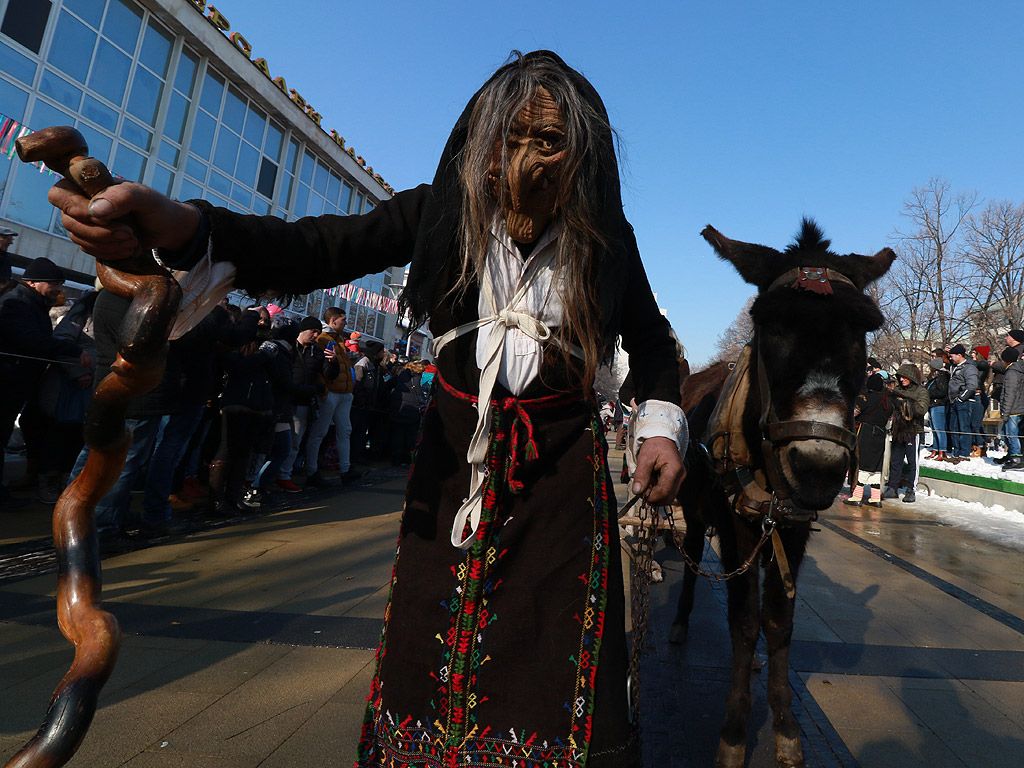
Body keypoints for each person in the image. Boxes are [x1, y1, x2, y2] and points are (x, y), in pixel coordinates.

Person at [49, 50, 685, 768]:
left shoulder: (608, 240)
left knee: (553, 657)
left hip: (561, 485)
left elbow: (655, 349)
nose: (524, 162)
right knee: (428, 652)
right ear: (477, 142)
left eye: (549, 142)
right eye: (508, 138)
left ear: (585, 158)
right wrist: (185, 227)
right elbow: (314, 247)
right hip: (450, 475)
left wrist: (660, 426)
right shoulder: (439, 212)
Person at [0, 257, 91, 509]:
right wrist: (71, 351)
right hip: (7, 381)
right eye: (54, 284)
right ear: (33, 282)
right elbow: (32, 341)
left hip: (16, 382)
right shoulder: (16, 303)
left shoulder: (33, 302)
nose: (58, 289)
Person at [303, 306, 360, 487]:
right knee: (319, 431)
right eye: (343, 320)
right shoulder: (323, 339)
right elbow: (319, 367)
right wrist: (324, 390)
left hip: (344, 393)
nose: (346, 323)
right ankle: (311, 471)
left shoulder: (340, 339)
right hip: (331, 392)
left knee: (345, 431)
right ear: (333, 320)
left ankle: (345, 469)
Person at [881, 363, 929, 502]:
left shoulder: (921, 391)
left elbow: (921, 409)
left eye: (904, 377)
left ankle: (911, 490)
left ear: (911, 377)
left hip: (913, 431)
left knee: (912, 462)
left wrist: (905, 402)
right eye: (900, 377)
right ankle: (892, 488)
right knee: (895, 461)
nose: (901, 380)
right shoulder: (897, 389)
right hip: (898, 430)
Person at [845, 372, 892, 506]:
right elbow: (890, 418)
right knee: (876, 465)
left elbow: (853, 414)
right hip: (881, 433)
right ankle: (875, 498)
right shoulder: (887, 400)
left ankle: (857, 496)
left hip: (865, 432)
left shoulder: (864, 398)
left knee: (863, 463)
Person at [351, 340, 386, 465]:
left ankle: (359, 455)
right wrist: (361, 401)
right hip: (359, 405)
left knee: (362, 431)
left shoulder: (375, 365)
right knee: (357, 431)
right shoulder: (363, 363)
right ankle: (355, 456)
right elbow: (358, 384)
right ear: (376, 353)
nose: (384, 353)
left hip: (369, 405)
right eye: (382, 351)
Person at [946, 344, 978, 462]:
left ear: (959, 355)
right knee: (953, 427)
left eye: (952, 356)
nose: (951, 358)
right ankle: (956, 452)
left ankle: (964, 454)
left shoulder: (969, 368)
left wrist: (961, 398)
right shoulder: (954, 367)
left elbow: (972, 386)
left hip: (964, 401)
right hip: (953, 401)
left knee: (964, 427)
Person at [998, 347, 1024, 470]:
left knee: (1010, 434)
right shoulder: (1019, 370)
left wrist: (1005, 412)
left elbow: (1010, 393)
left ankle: (1016, 458)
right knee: (1009, 434)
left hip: (1014, 409)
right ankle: (1012, 455)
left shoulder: (1012, 372)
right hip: (1019, 407)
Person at [924, 356, 950, 461]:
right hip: (932, 405)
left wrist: (928, 393)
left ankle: (942, 451)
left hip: (938, 405)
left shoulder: (942, 377)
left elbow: (942, 392)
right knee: (934, 429)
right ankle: (935, 449)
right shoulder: (934, 378)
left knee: (939, 429)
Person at [970, 346, 991, 456]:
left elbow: (974, 364)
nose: (971, 354)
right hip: (973, 395)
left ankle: (981, 446)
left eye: (974, 352)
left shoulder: (983, 364)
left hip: (979, 396)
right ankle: (976, 445)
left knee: (976, 424)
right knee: (972, 423)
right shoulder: (973, 364)